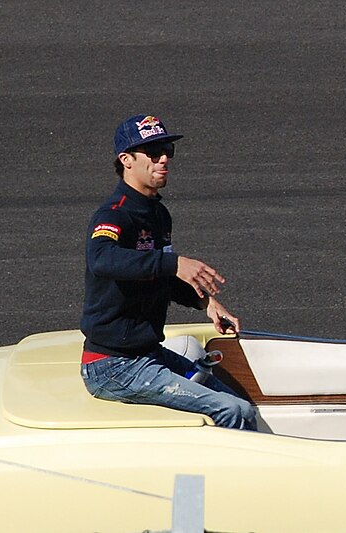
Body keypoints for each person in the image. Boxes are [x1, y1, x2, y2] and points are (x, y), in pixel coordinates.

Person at [79, 114, 256, 430]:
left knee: (240, 405)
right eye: (153, 152)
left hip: (147, 356)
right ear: (126, 160)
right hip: (113, 367)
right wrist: (174, 264)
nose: (164, 159)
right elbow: (102, 260)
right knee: (232, 411)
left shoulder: (158, 214)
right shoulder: (115, 214)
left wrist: (205, 303)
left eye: (167, 151)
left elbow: (160, 277)